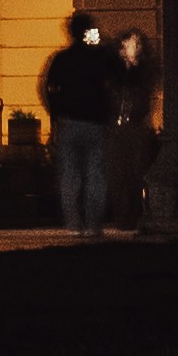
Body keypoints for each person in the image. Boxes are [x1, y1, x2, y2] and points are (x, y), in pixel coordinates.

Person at [39, 15, 126, 241]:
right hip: (96, 121)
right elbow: (119, 76)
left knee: (70, 175)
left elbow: (49, 88)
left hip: (69, 122)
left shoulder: (62, 58)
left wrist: (55, 115)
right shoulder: (99, 57)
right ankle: (93, 224)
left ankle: (74, 224)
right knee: (96, 174)